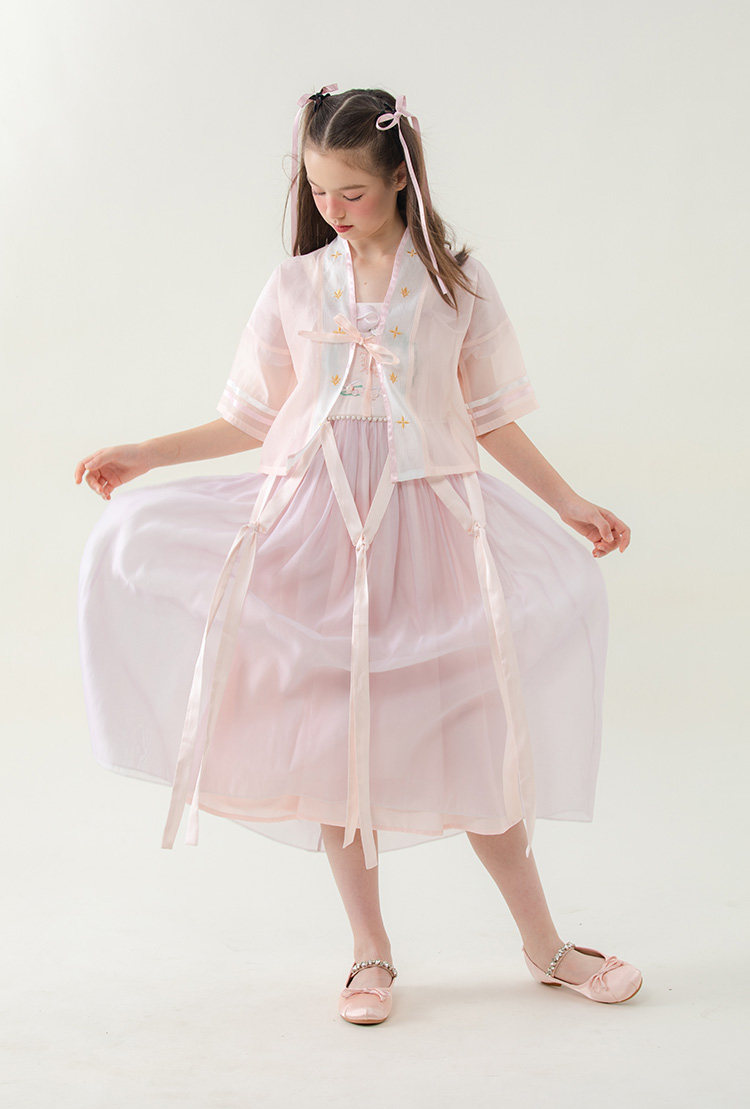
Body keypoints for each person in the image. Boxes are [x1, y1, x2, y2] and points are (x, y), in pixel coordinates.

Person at [74, 85, 643, 1025]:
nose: (333, 209)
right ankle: (368, 952)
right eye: (318, 191)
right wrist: (146, 453)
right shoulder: (297, 285)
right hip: (315, 528)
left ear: (401, 179)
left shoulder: (456, 285)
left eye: (353, 192)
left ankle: (546, 945)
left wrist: (570, 502)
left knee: (477, 738)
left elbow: (491, 416)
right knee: (339, 741)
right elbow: (249, 418)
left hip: (430, 531)